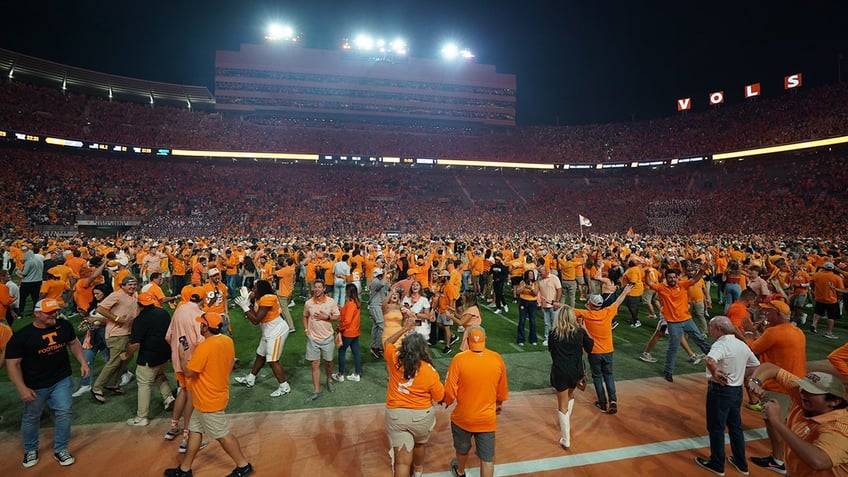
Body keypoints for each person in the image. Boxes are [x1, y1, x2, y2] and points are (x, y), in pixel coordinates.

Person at [164, 312, 254, 477]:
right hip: (212, 394)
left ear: (206, 327)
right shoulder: (227, 341)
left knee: (222, 435)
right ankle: (185, 469)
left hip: (208, 400)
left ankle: (243, 466)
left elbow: (189, 372)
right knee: (195, 431)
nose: (199, 325)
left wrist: (183, 357)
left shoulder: (206, 346)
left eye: (201, 324)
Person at [6, 298, 90, 468]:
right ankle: (31, 449)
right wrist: (22, 388)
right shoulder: (23, 336)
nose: (54, 314)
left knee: (64, 412)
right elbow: (12, 364)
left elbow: (73, 343)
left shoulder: (64, 326)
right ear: (36, 314)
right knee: (31, 416)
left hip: (61, 379)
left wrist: (82, 362)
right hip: (35, 384)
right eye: (49, 312)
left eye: (55, 311)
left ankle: (61, 449)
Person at [747, 363, 848, 477]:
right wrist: (755, 381)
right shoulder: (803, 395)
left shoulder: (840, 427)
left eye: (812, 391)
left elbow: (819, 461)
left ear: (834, 402)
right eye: (803, 387)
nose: (803, 393)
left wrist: (776, 421)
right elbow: (772, 368)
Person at [694, 316, 760, 476]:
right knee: (735, 427)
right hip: (736, 391)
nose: (710, 330)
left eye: (711, 327)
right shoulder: (741, 345)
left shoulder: (721, 344)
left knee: (716, 428)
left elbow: (710, 360)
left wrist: (716, 371)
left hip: (720, 391)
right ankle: (741, 462)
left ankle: (717, 464)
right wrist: (741, 375)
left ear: (717, 329)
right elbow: (755, 364)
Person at [384, 316, 445, 477]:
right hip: (420, 416)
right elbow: (440, 397)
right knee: (419, 445)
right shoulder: (430, 371)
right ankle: (418, 471)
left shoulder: (395, 359)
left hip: (397, 415)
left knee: (402, 462)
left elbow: (387, 343)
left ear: (404, 347)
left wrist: (404, 328)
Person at [445, 325, 509, 477]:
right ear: (485, 340)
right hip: (486, 419)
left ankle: (460, 472)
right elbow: (502, 391)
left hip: (463, 418)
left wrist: (446, 401)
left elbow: (449, 392)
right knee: (487, 459)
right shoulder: (496, 358)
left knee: (462, 449)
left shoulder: (459, 359)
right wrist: (498, 404)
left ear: (467, 341)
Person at [574, 285, 633, 414]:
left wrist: (551, 303)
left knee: (597, 377)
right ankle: (613, 401)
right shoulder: (608, 312)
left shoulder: (587, 314)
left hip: (594, 352)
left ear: (590, 304)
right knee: (609, 376)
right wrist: (625, 291)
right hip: (608, 351)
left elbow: (566, 309)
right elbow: (618, 302)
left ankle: (602, 402)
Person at [651, 265, 712, 382]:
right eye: (670, 278)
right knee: (673, 347)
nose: (672, 279)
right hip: (673, 323)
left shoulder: (683, 285)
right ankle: (668, 371)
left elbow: (695, 279)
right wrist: (648, 271)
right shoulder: (661, 288)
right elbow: (650, 284)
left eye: (674, 277)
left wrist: (703, 270)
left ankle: (715, 356)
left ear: (678, 277)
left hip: (687, 319)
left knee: (699, 338)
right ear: (666, 278)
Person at [122, 292, 175, 426]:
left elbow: (134, 344)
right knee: (158, 374)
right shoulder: (163, 313)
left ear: (139, 304)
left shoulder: (140, 320)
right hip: (165, 352)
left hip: (149, 356)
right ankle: (168, 397)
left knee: (144, 383)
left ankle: (142, 417)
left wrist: (126, 355)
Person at [165, 286, 207, 453]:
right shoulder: (199, 316)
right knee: (192, 397)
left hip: (177, 360)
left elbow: (168, 336)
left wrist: (180, 349)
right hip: (191, 362)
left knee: (182, 390)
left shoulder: (180, 309)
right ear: (203, 299)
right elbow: (201, 340)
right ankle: (186, 437)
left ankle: (173, 427)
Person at [233, 279, 292, 397]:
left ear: (262, 290)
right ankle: (251, 378)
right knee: (260, 355)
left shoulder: (268, 298)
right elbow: (255, 314)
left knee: (273, 360)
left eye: (255, 288)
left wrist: (245, 307)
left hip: (276, 331)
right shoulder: (261, 297)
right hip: (268, 330)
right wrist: (247, 301)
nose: (253, 290)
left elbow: (256, 319)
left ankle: (284, 386)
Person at [548, 305, 593, 450]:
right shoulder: (579, 332)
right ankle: (565, 422)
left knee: (562, 404)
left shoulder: (553, 334)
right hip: (576, 371)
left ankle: (566, 438)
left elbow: (551, 350)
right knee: (570, 395)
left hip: (560, 371)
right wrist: (585, 329)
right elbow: (590, 347)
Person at [91, 275, 140, 403]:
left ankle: (112, 383)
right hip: (116, 334)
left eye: (134, 284)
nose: (132, 286)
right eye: (129, 284)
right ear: (122, 286)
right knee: (114, 361)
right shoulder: (117, 295)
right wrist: (117, 318)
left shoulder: (134, 294)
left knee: (125, 360)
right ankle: (97, 388)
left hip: (129, 332)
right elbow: (100, 308)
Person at [303, 279, 341, 402]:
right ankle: (316, 390)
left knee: (328, 363)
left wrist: (327, 317)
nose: (317, 289)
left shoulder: (331, 302)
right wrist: (306, 330)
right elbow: (305, 316)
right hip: (313, 339)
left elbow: (338, 317)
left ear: (324, 289)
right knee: (314, 364)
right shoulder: (309, 303)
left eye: (319, 287)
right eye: (315, 287)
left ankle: (329, 379)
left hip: (328, 338)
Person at [334, 283, 362, 382]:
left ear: (348, 292)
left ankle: (340, 375)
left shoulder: (350, 303)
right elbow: (348, 314)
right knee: (356, 353)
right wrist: (340, 308)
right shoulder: (356, 302)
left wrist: (339, 328)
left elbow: (347, 320)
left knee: (341, 351)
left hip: (348, 332)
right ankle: (357, 373)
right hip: (355, 332)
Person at [810, 262, 844, 339]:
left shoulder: (817, 275)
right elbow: (840, 290)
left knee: (817, 312)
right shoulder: (837, 277)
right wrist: (839, 298)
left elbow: (811, 284)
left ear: (823, 268)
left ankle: (814, 324)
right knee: (831, 316)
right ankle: (828, 332)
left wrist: (814, 291)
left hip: (819, 297)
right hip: (831, 299)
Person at [537, 266, 562, 346]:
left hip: (553, 304)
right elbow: (539, 292)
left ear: (545, 271)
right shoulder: (539, 280)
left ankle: (557, 339)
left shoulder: (554, 278)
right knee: (546, 323)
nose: (540, 274)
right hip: (544, 305)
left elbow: (559, 290)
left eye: (541, 272)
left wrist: (556, 302)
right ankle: (547, 338)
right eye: (539, 272)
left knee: (555, 323)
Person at [368, 268, 390, 359]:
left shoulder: (378, 281)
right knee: (381, 326)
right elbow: (382, 284)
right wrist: (386, 274)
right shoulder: (376, 281)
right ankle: (376, 347)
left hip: (377, 306)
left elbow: (387, 287)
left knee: (376, 326)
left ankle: (374, 346)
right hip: (375, 306)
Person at [515, 270, 539, 346]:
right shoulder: (522, 282)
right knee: (522, 320)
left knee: (533, 321)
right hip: (523, 301)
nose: (531, 275)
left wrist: (530, 288)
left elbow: (535, 293)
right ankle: (521, 339)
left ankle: (533, 339)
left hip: (533, 303)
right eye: (530, 274)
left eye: (532, 274)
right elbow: (518, 292)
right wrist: (523, 287)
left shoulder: (536, 283)